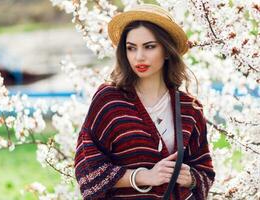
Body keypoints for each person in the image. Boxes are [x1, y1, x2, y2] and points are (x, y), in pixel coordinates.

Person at [74, 3, 215, 200]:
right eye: (131, 48)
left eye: (149, 47)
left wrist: (190, 178)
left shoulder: (189, 108)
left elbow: (205, 172)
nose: (139, 57)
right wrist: (144, 176)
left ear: (167, 51)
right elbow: (87, 168)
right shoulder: (109, 100)